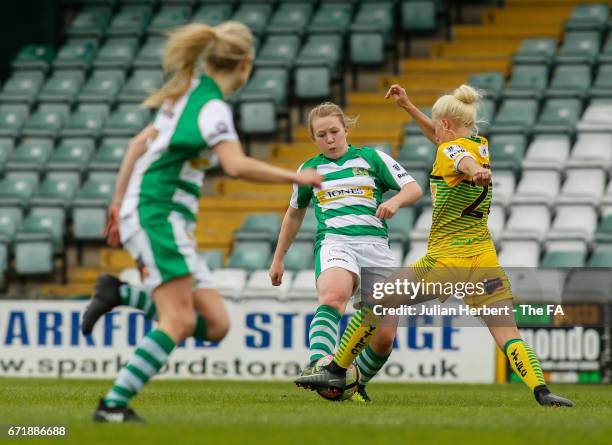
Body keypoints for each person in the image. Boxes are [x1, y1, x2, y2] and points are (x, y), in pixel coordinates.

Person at [84, 21, 322, 422]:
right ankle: (112, 406)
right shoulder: (211, 106)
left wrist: (117, 201)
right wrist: (296, 176)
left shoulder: (185, 91)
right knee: (179, 319)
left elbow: (136, 144)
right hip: (157, 212)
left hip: (153, 210)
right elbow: (233, 164)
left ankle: (120, 295)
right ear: (245, 64)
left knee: (215, 324)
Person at [294, 84, 574, 408]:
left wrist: (475, 171)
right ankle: (541, 391)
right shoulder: (480, 145)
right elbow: (456, 150)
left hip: (446, 262)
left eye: (436, 125)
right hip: (484, 261)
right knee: (508, 333)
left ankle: (335, 369)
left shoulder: (454, 153)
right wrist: (409, 107)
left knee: (378, 301)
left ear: (445, 126)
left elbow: (459, 158)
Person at [268, 102, 422, 402]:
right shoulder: (309, 169)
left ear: (346, 130)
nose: (329, 139)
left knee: (384, 338)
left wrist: (395, 202)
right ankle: (320, 363)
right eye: (321, 134)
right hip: (335, 243)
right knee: (333, 296)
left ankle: (353, 384)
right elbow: (294, 214)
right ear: (314, 139)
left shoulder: (371, 158)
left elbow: (413, 188)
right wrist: (278, 258)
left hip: (376, 248)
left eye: (334, 132)